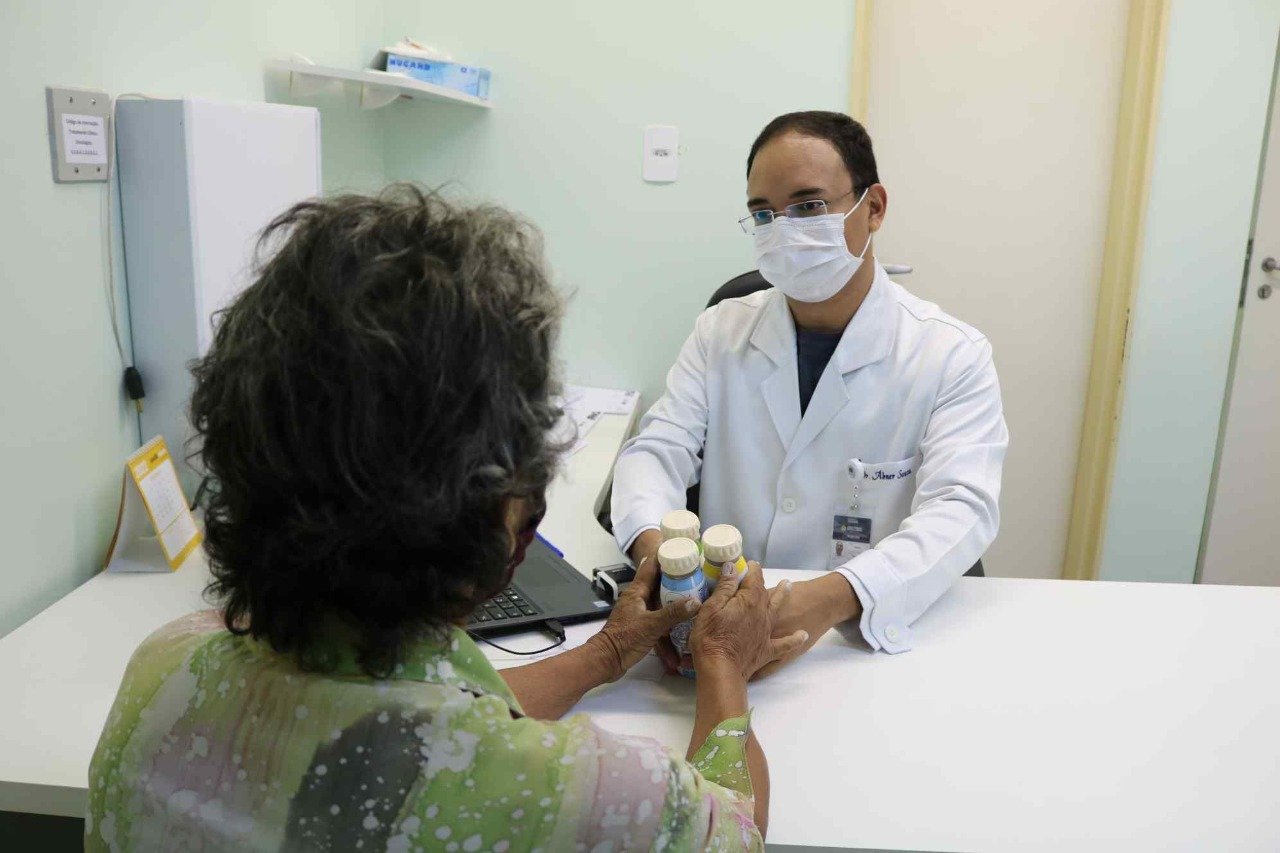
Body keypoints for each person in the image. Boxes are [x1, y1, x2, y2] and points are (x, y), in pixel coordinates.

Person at [86, 186, 807, 851]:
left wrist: (608, 652)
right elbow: (736, 830)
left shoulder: (165, 671)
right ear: (511, 525)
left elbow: (409, 716)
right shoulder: (592, 796)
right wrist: (723, 660)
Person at [611, 111, 1009, 669]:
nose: (783, 230)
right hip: (712, 625)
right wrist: (663, 561)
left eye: (809, 206)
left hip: (854, 642)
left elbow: (960, 510)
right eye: (763, 213)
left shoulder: (951, 355)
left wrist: (828, 599)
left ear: (873, 208)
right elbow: (656, 451)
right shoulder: (721, 331)